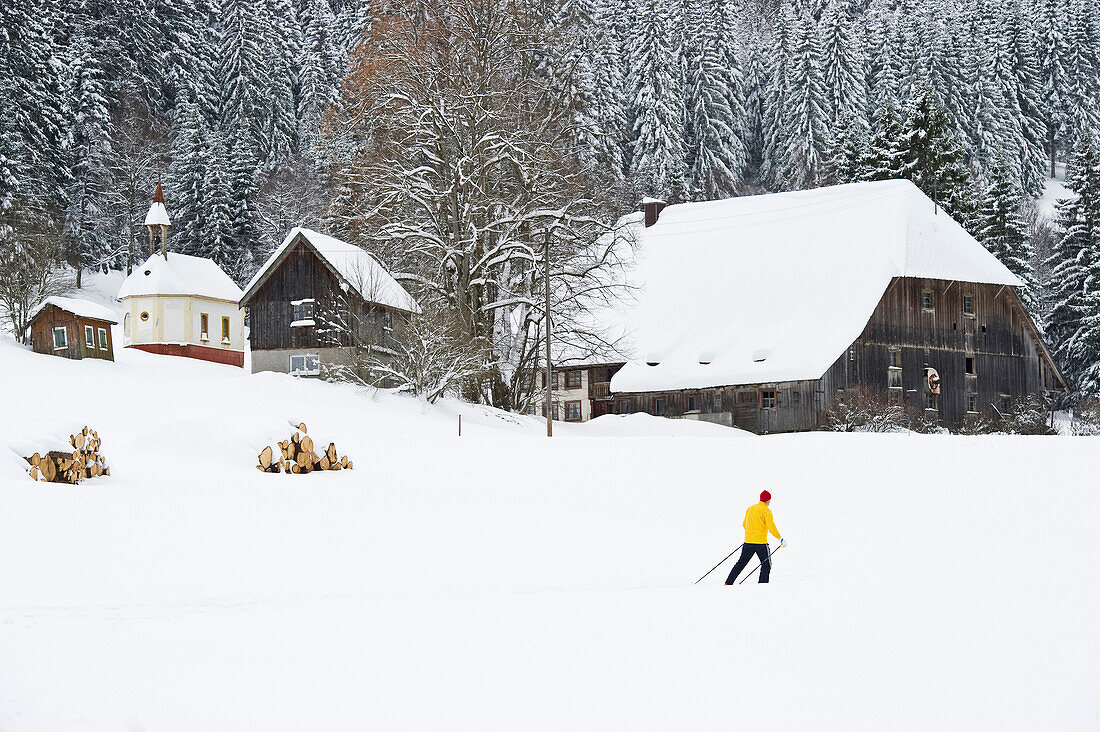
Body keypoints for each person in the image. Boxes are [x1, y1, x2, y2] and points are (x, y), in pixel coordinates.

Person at [725, 490, 784, 584]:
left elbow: (744, 524)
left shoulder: (750, 508)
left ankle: (728, 582)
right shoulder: (766, 511)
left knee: (741, 563)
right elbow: (771, 527)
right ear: (768, 500)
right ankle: (762, 585)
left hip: (748, 542)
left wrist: (751, 534)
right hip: (761, 544)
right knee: (766, 565)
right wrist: (780, 538)